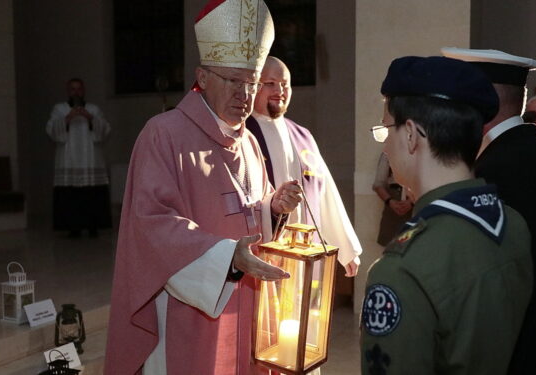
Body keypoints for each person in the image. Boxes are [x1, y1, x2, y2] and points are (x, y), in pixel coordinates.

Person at [104, 1, 304, 374]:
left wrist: (272, 208)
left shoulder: (249, 143)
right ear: (202, 77)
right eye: (233, 81)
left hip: (245, 304)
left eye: (252, 83)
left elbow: (248, 209)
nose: (245, 95)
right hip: (186, 312)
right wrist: (228, 259)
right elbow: (152, 226)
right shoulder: (163, 134)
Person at [360, 56, 533, 375]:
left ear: (411, 135)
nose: (385, 148)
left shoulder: (402, 269)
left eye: (386, 129)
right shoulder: (513, 223)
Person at [442, 47, 536, 374]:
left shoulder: (501, 168)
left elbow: (490, 280)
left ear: (479, 103)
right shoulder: (534, 149)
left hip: (520, 348)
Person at [246, 56, 362, 276]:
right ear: (253, 86)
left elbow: (326, 192)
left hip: (305, 251)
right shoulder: (241, 133)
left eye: (285, 84)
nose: (279, 90)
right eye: (270, 83)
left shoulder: (302, 136)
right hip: (264, 251)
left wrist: (347, 249)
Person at [46, 78, 111, 237]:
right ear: (68, 91)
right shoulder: (59, 109)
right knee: (71, 196)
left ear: (83, 91)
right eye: (73, 89)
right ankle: (73, 228)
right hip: (69, 160)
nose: (76, 92)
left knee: (92, 195)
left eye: (79, 89)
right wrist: (68, 118)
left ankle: (93, 227)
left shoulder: (93, 109)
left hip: (90, 160)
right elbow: (51, 130)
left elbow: (105, 129)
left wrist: (90, 118)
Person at [372, 153, 413, 245]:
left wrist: (411, 202)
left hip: (414, 208)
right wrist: (390, 201)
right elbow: (378, 184)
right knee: (390, 245)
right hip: (392, 206)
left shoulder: (421, 151)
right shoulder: (387, 153)